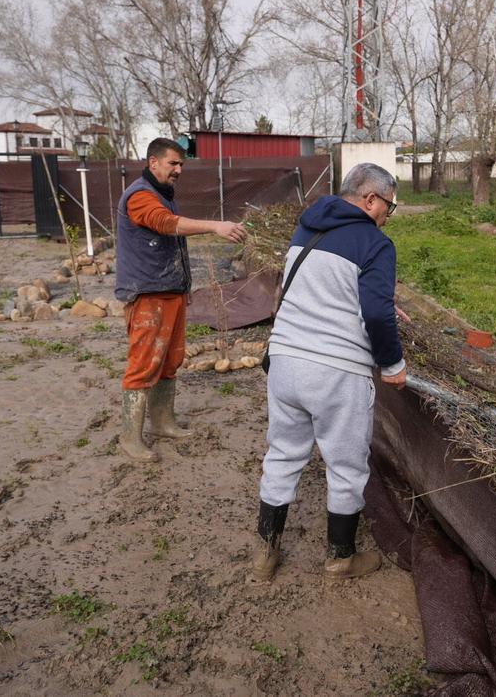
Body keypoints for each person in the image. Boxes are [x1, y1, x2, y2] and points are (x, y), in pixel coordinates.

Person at [254, 162, 407, 582]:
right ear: (370, 199)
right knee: (346, 465)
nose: (387, 215)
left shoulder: (306, 228)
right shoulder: (375, 244)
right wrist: (393, 365)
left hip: (285, 362)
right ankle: (341, 557)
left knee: (283, 454)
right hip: (336, 372)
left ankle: (265, 553)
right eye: (389, 206)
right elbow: (376, 315)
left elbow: (312, 286)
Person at [114, 137, 247, 462]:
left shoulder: (162, 194)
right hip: (148, 295)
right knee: (144, 365)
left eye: (181, 164)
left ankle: (162, 423)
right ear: (153, 162)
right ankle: (130, 438)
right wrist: (215, 226)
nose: (178, 170)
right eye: (173, 163)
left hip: (170, 291)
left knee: (170, 361)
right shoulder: (140, 196)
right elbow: (165, 224)